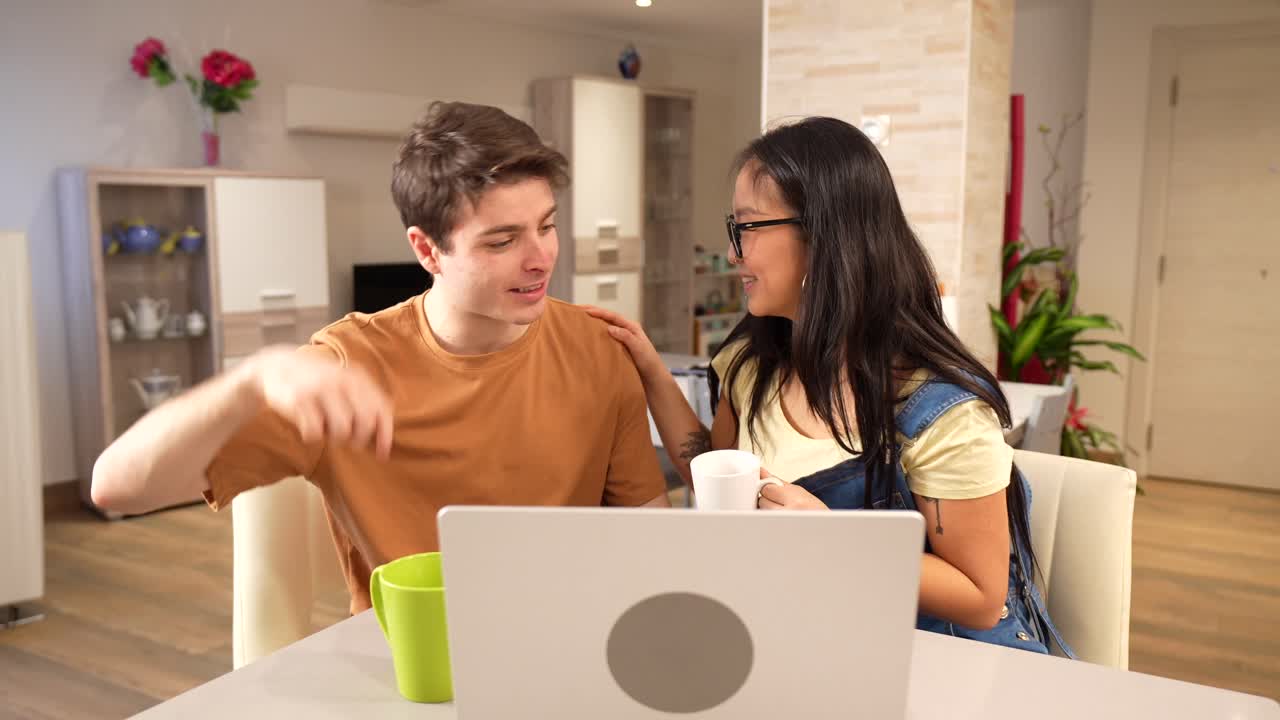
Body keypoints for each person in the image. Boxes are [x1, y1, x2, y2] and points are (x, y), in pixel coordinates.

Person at [93, 102, 669, 614]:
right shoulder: (345, 369)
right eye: (502, 241)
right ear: (427, 250)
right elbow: (118, 487)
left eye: (546, 227)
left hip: (564, 647)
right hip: (414, 671)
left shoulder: (598, 348)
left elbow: (650, 534)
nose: (541, 257)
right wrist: (252, 379)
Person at [589, 116, 1072, 655]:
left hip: (935, 665)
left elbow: (982, 596)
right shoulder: (753, 366)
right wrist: (651, 371)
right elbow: (717, 471)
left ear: (823, 236)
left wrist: (835, 539)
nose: (732, 254)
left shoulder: (939, 411)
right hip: (816, 646)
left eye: (746, 228)